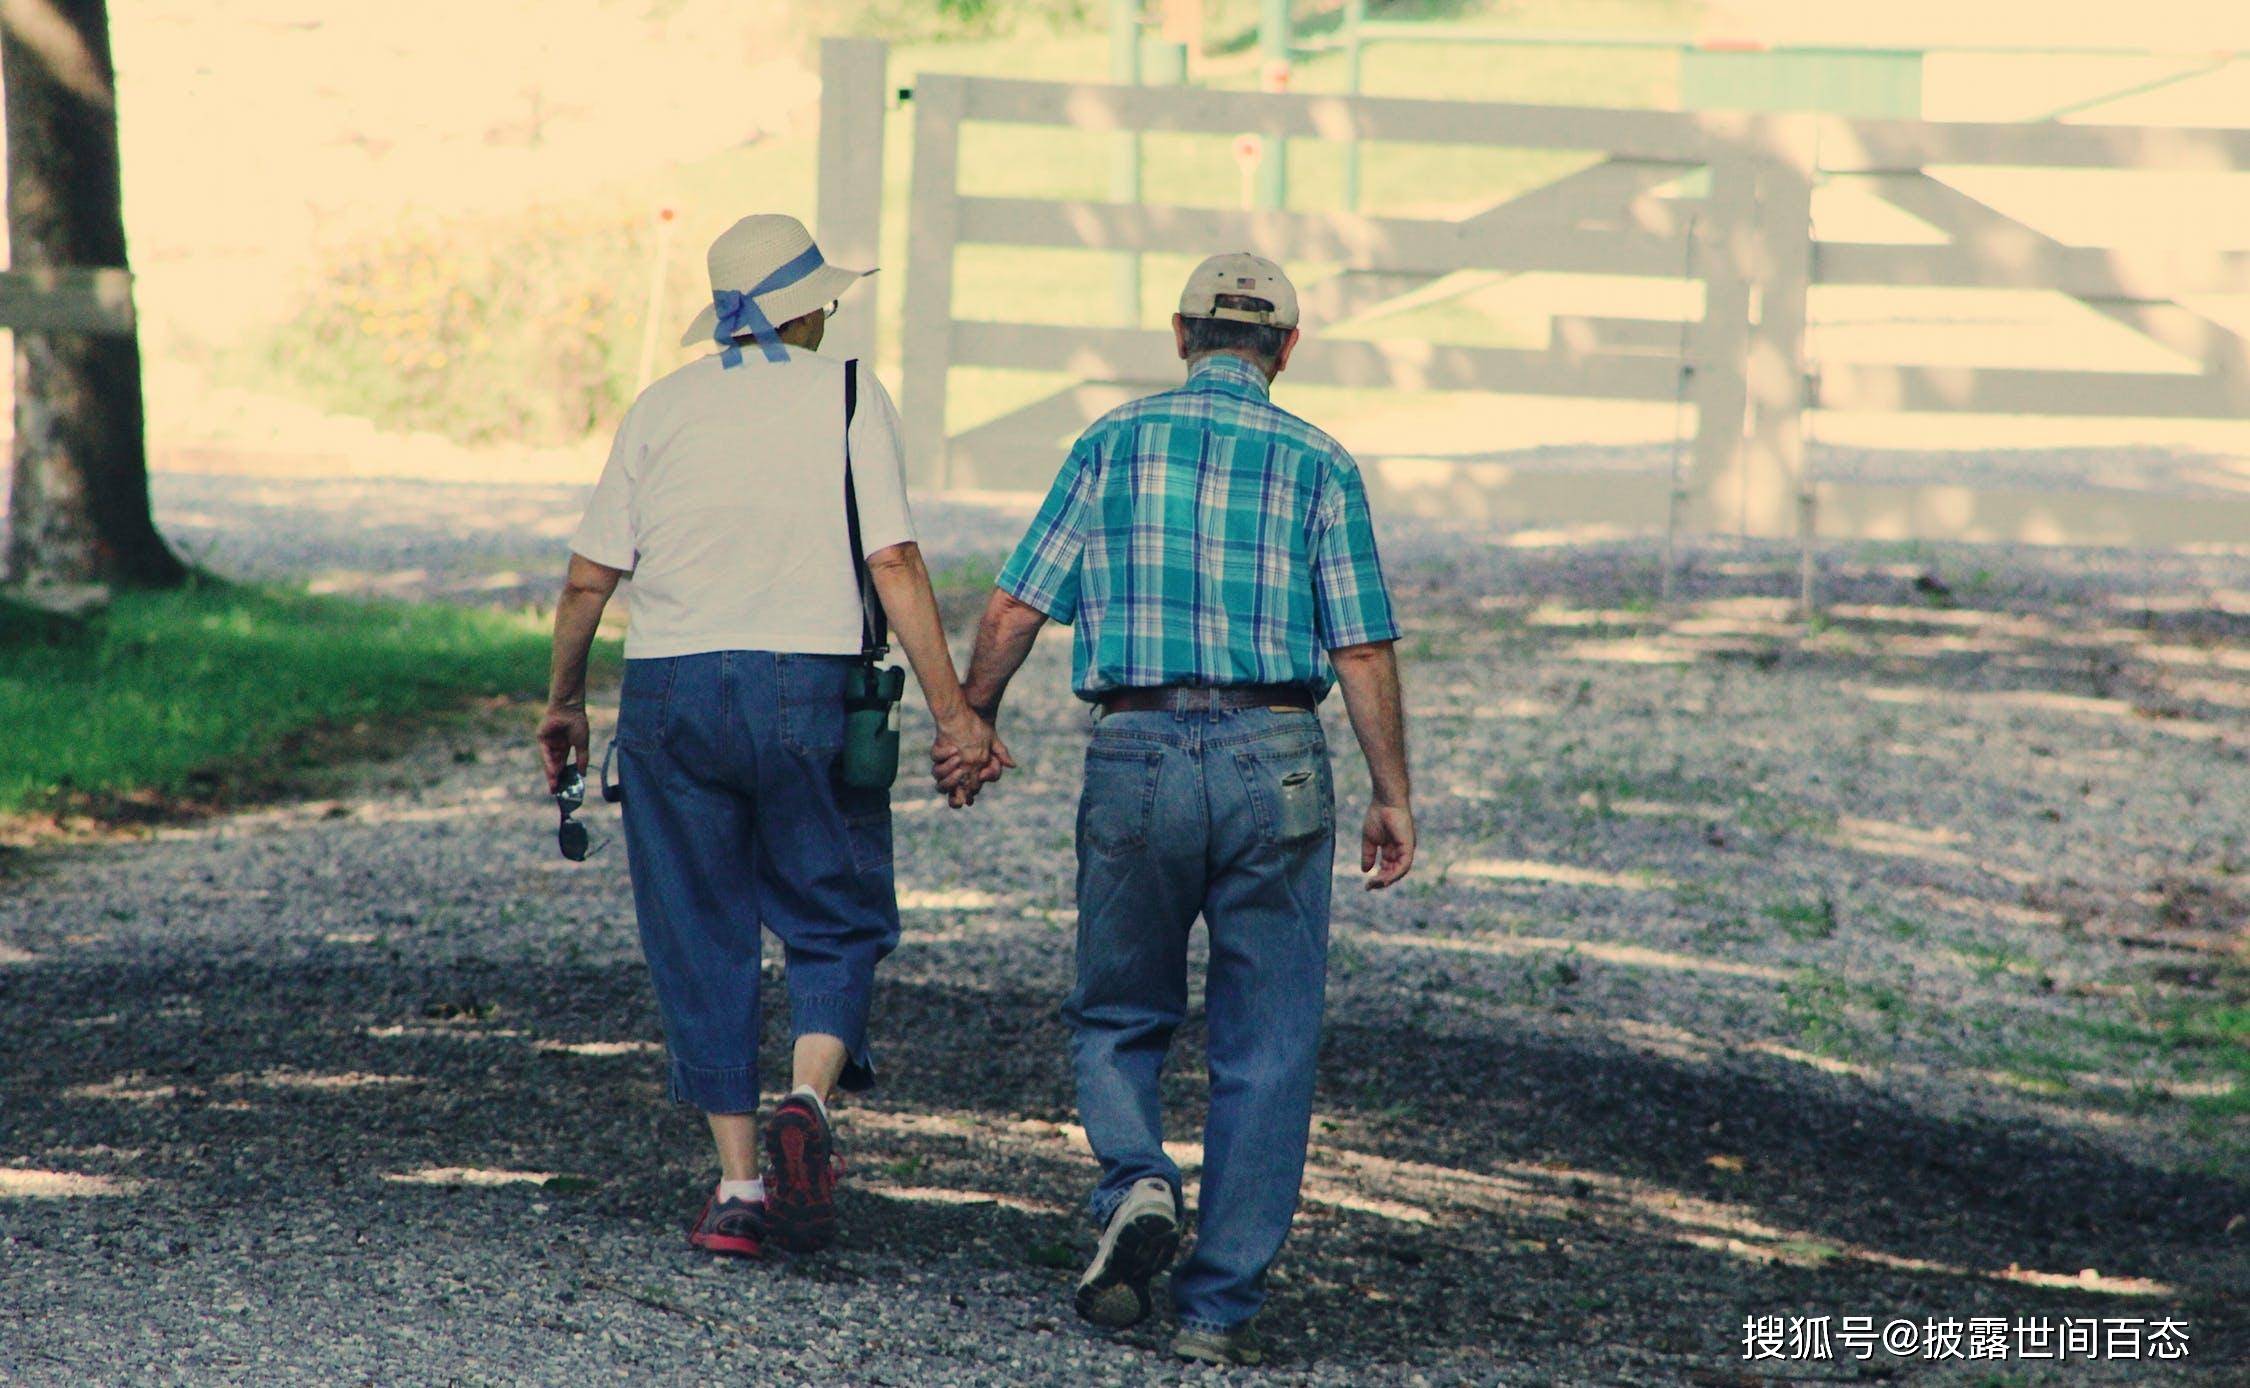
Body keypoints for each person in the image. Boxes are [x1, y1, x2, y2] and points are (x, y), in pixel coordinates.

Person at [946, 253, 1416, 1366]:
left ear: (1179, 334)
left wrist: (970, 719)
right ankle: (1216, 1307)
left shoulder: (1110, 443)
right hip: (1277, 753)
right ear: (1286, 349)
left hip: (1139, 745)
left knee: (1117, 1006)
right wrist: (1391, 790)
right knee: (1270, 1038)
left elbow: (1017, 604)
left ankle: (1136, 1176)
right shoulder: (1321, 462)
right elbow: (1359, 641)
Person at [537, 213, 1001, 1261]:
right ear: (804, 308)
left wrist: (564, 699)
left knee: (699, 928)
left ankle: (741, 1185)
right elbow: (893, 561)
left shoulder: (659, 408)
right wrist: (955, 713)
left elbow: (586, 578)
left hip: (672, 693)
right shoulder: (846, 393)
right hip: (810, 683)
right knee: (833, 910)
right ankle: (809, 1094)